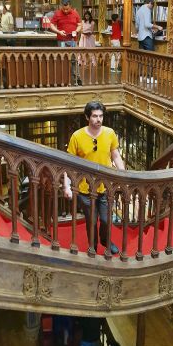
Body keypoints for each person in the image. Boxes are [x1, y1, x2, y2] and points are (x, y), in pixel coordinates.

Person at [63, 101, 125, 255]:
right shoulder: (77, 136)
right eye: (95, 116)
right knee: (91, 222)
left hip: (105, 186)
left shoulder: (110, 133)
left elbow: (116, 155)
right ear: (87, 117)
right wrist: (67, 186)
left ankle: (105, 240)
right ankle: (93, 246)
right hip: (85, 189)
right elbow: (69, 164)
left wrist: (124, 175)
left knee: (105, 220)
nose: (99, 119)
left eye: (101, 116)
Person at [49, 0, 83, 85]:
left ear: (70, 6)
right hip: (61, 41)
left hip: (72, 40)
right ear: (61, 6)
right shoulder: (57, 13)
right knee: (62, 59)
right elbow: (51, 25)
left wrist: (76, 31)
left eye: (67, 9)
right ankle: (63, 80)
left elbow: (80, 25)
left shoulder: (75, 13)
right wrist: (58, 31)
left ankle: (77, 79)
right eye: (63, 9)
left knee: (74, 59)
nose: (65, 11)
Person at [135, 0, 163, 83]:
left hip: (140, 37)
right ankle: (148, 78)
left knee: (141, 58)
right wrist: (157, 27)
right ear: (150, 3)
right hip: (147, 37)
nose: (152, 8)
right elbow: (147, 24)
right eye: (152, 5)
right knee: (151, 57)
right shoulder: (147, 9)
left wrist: (149, 30)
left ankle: (140, 76)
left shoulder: (139, 10)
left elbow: (137, 26)